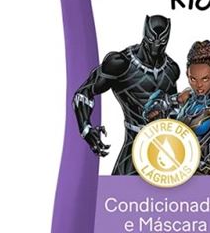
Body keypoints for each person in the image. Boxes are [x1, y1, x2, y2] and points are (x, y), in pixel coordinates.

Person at [73, 15, 179, 175]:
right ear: (145, 35)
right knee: (120, 188)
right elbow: (84, 93)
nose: (156, 47)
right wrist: (86, 128)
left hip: (166, 149)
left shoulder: (171, 69)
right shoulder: (120, 63)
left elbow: (175, 110)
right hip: (133, 147)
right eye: (152, 40)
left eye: (162, 42)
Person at [144, 40, 210, 175]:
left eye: (205, 79)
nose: (199, 85)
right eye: (193, 79)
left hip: (208, 160)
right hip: (177, 156)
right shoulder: (187, 95)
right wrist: (155, 111)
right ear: (187, 75)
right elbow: (161, 102)